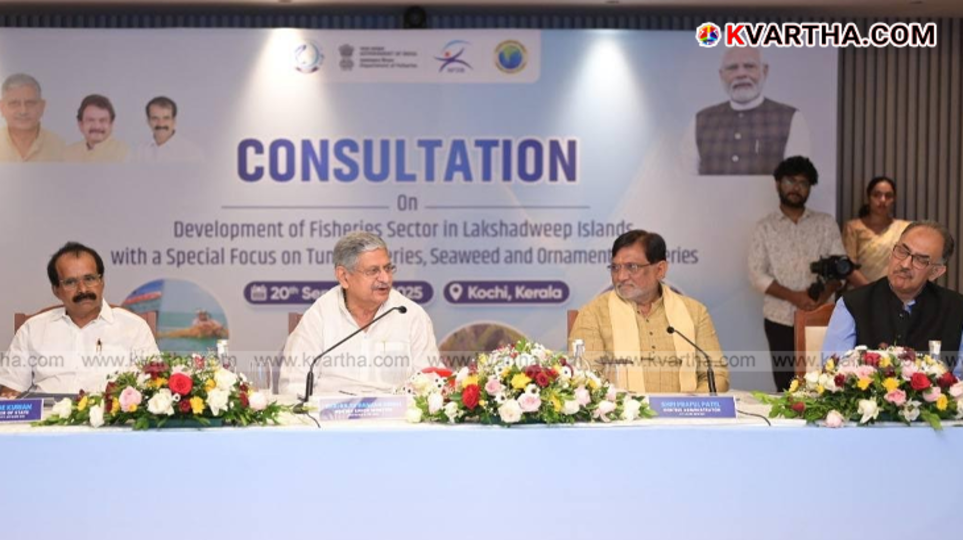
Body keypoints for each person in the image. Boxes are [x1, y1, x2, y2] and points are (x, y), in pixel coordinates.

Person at [570, 230, 729, 394]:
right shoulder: (593, 314)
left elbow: (716, 375)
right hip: (621, 417)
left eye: (632, 267)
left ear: (660, 270)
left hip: (684, 416)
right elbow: (585, 380)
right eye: (615, 268)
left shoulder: (695, 312)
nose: (621, 276)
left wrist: (690, 407)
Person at [280, 232, 439, 395]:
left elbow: (432, 381)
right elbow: (294, 386)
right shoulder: (318, 317)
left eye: (388, 268)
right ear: (344, 276)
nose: (385, 278)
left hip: (395, 417)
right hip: (330, 418)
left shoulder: (411, 315)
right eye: (373, 271)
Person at [0, 242, 159, 397]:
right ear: (56, 290)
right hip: (45, 420)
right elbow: (11, 391)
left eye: (89, 279)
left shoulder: (134, 327)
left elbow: (152, 385)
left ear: (101, 282)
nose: (82, 289)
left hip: (111, 420)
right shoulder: (32, 329)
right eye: (70, 282)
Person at [748, 156, 848, 391]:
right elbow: (756, 274)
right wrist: (795, 297)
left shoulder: (825, 223)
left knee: (826, 382)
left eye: (803, 183)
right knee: (786, 386)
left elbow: (841, 269)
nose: (796, 188)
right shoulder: (765, 227)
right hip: (779, 318)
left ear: (810, 188)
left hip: (823, 317)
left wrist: (819, 300)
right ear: (777, 184)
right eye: (790, 181)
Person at [823, 221, 963, 373]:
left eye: (920, 260)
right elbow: (833, 372)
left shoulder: (956, 308)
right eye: (902, 251)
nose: (905, 264)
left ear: (936, 272)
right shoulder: (853, 304)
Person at [681, 47, 810, 176]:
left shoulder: (791, 118)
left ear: (764, 71)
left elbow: (796, 183)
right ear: (721, 75)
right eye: (732, 68)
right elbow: (685, 181)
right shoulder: (700, 121)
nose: (741, 74)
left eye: (749, 66)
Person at [842, 176, 910, 285]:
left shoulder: (905, 228)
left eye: (888, 196)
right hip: (861, 295)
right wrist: (872, 293)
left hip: (897, 294)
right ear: (868, 198)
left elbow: (911, 265)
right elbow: (849, 267)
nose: (883, 200)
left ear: (894, 199)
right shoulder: (853, 227)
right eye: (877, 195)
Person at [0, 73, 64, 162]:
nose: (23, 111)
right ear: (2, 107)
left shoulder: (60, 147)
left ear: (42, 106)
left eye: (30, 103)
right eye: (14, 103)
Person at [63, 94, 130, 163]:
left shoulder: (125, 153)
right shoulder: (67, 154)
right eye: (90, 120)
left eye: (102, 120)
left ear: (111, 124)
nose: (97, 126)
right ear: (81, 124)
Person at [134, 96, 202, 162]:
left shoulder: (192, 153)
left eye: (166, 118)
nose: (161, 124)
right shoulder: (139, 152)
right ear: (148, 122)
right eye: (155, 118)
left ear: (174, 121)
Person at [158, 309, 228, 340]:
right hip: (200, 335)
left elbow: (219, 325)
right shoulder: (196, 321)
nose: (202, 316)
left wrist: (216, 328)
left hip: (212, 335)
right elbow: (196, 327)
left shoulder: (212, 321)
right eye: (200, 314)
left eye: (203, 314)